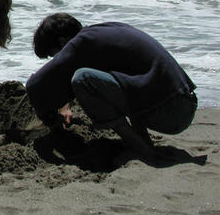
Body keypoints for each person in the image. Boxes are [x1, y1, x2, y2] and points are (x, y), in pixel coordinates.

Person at [26, 13, 198, 165]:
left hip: (169, 112)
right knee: (123, 80)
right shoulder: (103, 32)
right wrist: (64, 105)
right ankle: (143, 141)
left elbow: (34, 85)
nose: (58, 59)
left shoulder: (81, 43)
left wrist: (49, 118)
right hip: (182, 103)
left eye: (55, 55)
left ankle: (141, 149)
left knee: (82, 79)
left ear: (63, 42)